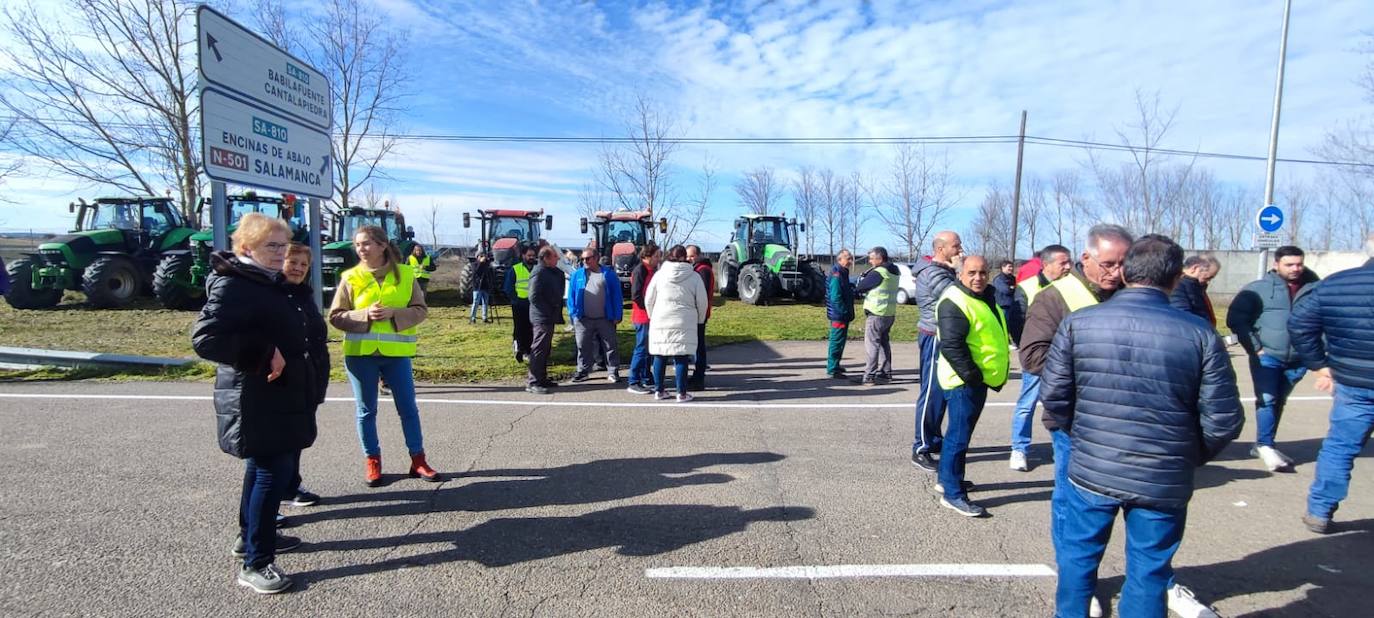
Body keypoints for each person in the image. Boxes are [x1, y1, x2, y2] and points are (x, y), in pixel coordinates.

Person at [1041, 234, 1242, 618]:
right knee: (1149, 571)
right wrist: (1186, 455)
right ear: (1175, 280)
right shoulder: (1200, 334)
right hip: (1160, 476)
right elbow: (1224, 418)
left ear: (1127, 272)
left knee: (1079, 557)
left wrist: (1083, 436)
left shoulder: (1080, 324)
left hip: (1094, 465)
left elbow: (1054, 396)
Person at [191, 213, 323, 594]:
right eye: (272, 246)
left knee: (263, 469)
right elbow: (206, 338)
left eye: (283, 246)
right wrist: (263, 354)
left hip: (278, 394)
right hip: (257, 396)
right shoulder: (237, 283)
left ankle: (249, 539)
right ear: (245, 247)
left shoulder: (267, 282)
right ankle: (257, 562)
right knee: (271, 473)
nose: (281, 253)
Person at [1020, 224, 1131, 616]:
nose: (1115, 272)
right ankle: (1077, 586)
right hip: (1076, 419)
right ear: (1085, 259)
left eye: (1122, 264)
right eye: (1107, 263)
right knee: (1072, 503)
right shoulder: (1056, 297)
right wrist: (1093, 369)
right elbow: (1032, 356)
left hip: (1122, 420)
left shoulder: (1128, 295)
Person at [329, 225, 442, 487]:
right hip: (360, 356)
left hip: (396, 354)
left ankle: (418, 460)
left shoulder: (405, 275)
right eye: (357, 244)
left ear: (382, 246)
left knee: (408, 409)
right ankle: (373, 461)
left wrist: (395, 314)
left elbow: (420, 310)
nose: (361, 249)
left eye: (366, 243)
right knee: (366, 411)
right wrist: (362, 315)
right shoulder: (351, 277)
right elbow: (335, 316)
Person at [1289, 234, 1374, 534]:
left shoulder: (1336, 284)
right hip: (1352, 382)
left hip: (1352, 380)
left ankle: (1320, 510)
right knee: (1340, 447)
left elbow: (1299, 324)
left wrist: (1319, 365)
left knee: (1340, 447)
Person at [1226, 245, 1320, 472]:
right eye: (1289, 264)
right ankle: (1266, 445)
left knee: (1278, 400)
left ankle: (1264, 442)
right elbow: (1236, 319)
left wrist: (1318, 353)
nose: (1296, 268)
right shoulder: (1258, 289)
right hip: (1267, 356)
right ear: (1276, 264)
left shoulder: (1316, 288)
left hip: (1299, 358)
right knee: (1267, 399)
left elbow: (1326, 320)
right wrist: (1255, 348)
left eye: (1299, 263)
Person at [933, 255, 1009, 517]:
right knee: (958, 438)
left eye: (983, 273)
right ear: (960, 274)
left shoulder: (984, 296)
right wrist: (973, 377)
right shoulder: (954, 301)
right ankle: (953, 494)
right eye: (972, 273)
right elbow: (952, 346)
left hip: (976, 380)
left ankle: (947, 479)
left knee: (957, 434)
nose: (979, 278)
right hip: (964, 382)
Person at [1008, 244, 1072, 472]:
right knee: (1028, 403)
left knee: (1064, 404)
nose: (1068, 267)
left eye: (1069, 262)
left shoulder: (1072, 288)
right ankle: (1019, 448)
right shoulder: (1027, 287)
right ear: (1046, 265)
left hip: (1066, 358)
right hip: (1039, 356)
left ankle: (1063, 449)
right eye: (1062, 263)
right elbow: (1016, 321)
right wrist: (1026, 347)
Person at [277, 243, 329, 516]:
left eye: (303, 265)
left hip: (306, 379)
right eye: (292, 262)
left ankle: (290, 486)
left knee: (296, 438)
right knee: (274, 447)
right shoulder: (272, 296)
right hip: (280, 382)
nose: (297, 268)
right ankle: (269, 504)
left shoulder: (303, 297)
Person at [910, 231, 963, 471]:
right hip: (934, 337)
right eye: (956, 246)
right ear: (942, 249)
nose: (960, 250)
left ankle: (932, 439)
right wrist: (960, 271)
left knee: (941, 393)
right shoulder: (933, 273)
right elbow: (959, 297)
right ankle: (921, 446)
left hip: (942, 337)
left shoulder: (941, 269)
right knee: (931, 393)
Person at [645, 244, 709, 403]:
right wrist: (699, 320)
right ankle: (681, 393)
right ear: (684, 257)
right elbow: (702, 302)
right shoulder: (694, 276)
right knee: (681, 356)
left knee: (659, 354)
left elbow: (649, 299)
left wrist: (652, 316)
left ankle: (659, 391)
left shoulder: (659, 275)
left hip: (660, 318)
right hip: (684, 320)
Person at [567, 247, 623, 383]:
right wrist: (573, 313)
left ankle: (613, 371)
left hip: (605, 318)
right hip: (583, 318)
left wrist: (617, 314)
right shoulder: (577, 275)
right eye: (583, 259)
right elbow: (571, 295)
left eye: (588, 258)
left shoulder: (608, 274)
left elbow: (617, 296)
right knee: (582, 345)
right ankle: (583, 371)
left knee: (610, 345)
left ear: (596, 258)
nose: (584, 261)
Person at [855, 246, 900, 385]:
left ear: (880, 258)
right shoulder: (894, 270)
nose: (870, 261)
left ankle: (869, 375)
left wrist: (863, 278)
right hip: (889, 313)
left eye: (871, 258)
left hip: (876, 313)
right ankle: (886, 373)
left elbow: (861, 287)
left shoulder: (879, 272)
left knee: (872, 345)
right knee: (884, 344)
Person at [526, 246, 565, 394]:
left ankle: (541, 378)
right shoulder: (539, 272)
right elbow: (534, 296)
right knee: (539, 349)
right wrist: (549, 309)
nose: (558, 259)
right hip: (542, 317)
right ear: (546, 258)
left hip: (549, 317)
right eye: (555, 256)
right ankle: (533, 381)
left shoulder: (551, 272)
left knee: (545, 349)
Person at [626, 243, 660, 395]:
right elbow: (636, 295)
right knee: (641, 348)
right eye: (656, 256)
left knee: (648, 349)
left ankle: (646, 376)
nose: (659, 259)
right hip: (643, 316)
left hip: (651, 315)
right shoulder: (640, 270)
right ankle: (633, 381)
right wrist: (649, 308)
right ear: (647, 256)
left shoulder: (652, 270)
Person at [686, 245, 715, 389]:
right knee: (697, 345)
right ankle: (698, 374)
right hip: (698, 312)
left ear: (698, 255)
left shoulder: (702, 270)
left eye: (691, 256)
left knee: (699, 346)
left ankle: (699, 377)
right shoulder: (699, 269)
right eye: (687, 256)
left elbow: (701, 294)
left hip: (700, 313)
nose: (688, 259)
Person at [504, 244, 538, 363]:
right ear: (523, 255)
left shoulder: (538, 269)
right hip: (519, 305)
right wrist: (516, 300)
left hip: (533, 305)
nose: (531, 257)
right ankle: (519, 348)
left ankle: (528, 351)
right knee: (519, 328)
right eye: (529, 255)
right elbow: (508, 288)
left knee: (531, 328)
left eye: (533, 255)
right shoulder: (515, 269)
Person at [826, 249, 856, 379]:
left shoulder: (843, 273)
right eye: (848, 258)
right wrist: (844, 311)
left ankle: (836, 364)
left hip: (842, 314)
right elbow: (835, 297)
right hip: (838, 315)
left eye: (851, 258)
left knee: (840, 341)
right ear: (840, 260)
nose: (850, 261)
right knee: (836, 341)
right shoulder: (837, 274)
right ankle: (832, 369)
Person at [1170, 255, 1218, 326]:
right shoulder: (1178, 286)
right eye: (1207, 278)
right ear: (1195, 268)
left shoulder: (1196, 287)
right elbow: (1183, 317)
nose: (1208, 282)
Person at [991, 260, 1019, 341]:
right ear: (1003, 267)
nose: (1011, 268)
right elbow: (1006, 290)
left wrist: (1012, 288)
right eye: (1009, 267)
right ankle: (1005, 340)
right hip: (1003, 305)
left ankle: (1011, 339)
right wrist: (1012, 288)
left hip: (1012, 304)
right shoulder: (999, 279)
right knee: (1003, 324)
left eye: (1012, 266)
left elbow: (1017, 288)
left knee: (1011, 324)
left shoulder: (1013, 278)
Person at [468, 252, 495, 324]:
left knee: (485, 303)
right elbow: (476, 271)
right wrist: (481, 263)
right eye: (481, 256)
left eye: (483, 256)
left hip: (485, 286)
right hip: (477, 286)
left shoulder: (487, 265)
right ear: (477, 257)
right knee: (476, 302)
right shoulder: (474, 264)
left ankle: (484, 317)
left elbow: (490, 273)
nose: (483, 257)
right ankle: (472, 318)